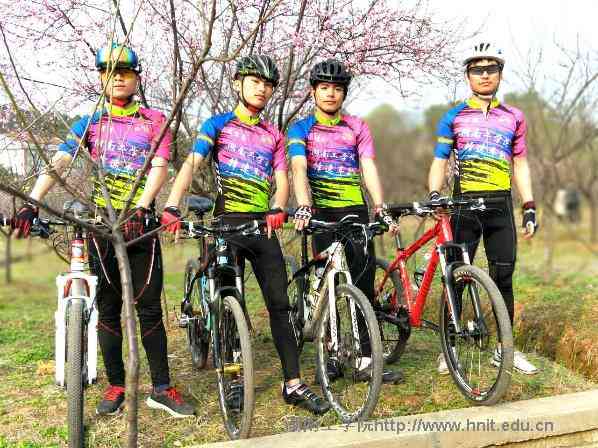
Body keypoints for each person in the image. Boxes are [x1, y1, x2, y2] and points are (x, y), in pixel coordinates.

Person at [12, 43, 195, 417]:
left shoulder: (154, 120)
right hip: (102, 227)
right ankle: (116, 386)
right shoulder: (91, 122)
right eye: (110, 72)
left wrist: (143, 207)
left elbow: (160, 166)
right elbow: (60, 161)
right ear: (100, 78)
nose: (118, 78)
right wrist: (32, 202)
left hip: (140, 227)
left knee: (149, 309)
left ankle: (161, 388)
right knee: (109, 310)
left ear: (137, 77)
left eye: (125, 72)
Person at [161, 55, 330, 415]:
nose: (262, 89)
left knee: (280, 305)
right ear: (238, 83)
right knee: (229, 299)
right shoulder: (217, 125)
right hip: (226, 224)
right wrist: (173, 205)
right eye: (255, 81)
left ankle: (293, 384)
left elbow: (281, 180)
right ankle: (234, 378)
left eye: (268, 84)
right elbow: (191, 164)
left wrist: (277, 207)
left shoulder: (274, 135)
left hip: (260, 226)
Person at [287, 59, 402, 385]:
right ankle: (331, 355)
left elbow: (368, 167)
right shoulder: (301, 129)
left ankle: (365, 359)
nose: (330, 94)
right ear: (313, 92)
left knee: (363, 286)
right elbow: (298, 168)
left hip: (355, 212)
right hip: (322, 214)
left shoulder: (356, 127)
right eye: (324, 87)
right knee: (328, 287)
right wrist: (304, 206)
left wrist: (380, 207)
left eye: (337, 89)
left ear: (344, 93)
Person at [427, 42, 539, 375]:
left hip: (500, 206)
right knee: (456, 277)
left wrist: (529, 205)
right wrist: (434, 193)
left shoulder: (514, 117)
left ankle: (505, 350)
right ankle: (449, 347)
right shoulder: (453, 117)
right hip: (463, 206)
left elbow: (520, 164)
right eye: (478, 69)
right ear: (468, 75)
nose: (485, 75)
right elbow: (439, 161)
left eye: (491, 69)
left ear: (500, 74)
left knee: (503, 277)